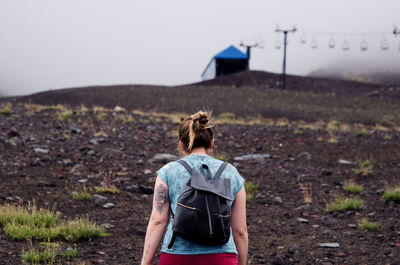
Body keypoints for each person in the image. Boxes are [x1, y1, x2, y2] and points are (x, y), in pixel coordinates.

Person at [141, 111, 248, 265]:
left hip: (177, 256)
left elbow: (157, 221)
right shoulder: (231, 173)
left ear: (182, 145)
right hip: (222, 257)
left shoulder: (168, 172)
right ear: (211, 143)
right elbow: (240, 231)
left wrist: (146, 262)